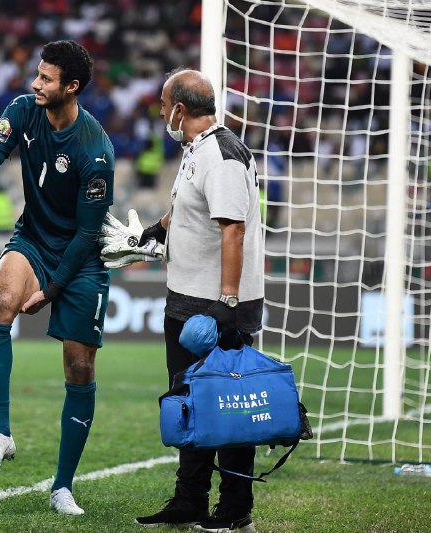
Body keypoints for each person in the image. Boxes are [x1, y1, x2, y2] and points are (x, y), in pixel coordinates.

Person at [0, 40, 115, 516]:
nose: (34, 84)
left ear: (72, 86)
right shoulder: (23, 111)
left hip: (81, 260)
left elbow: (87, 234)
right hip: (32, 241)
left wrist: (51, 292)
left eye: (45, 79)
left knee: (79, 368)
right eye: (36, 75)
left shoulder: (95, 149)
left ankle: (63, 486)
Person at [133, 69, 264, 532]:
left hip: (214, 306)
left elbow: (234, 229)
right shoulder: (200, 149)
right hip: (188, 299)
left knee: (228, 408)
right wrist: (156, 230)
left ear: (179, 110)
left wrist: (226, 302)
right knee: (189, 402)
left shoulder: (223, 154)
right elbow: (195, 209)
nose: (163, 113)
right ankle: (189, 502)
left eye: (164, 104)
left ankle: (234, 511)